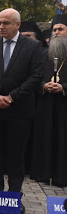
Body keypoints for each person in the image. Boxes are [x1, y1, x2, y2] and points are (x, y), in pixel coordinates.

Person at [0, 8, 43, 214]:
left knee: (16, 155)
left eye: (6, 23)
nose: (1, 26)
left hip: (19, 110)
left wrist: (12, 97)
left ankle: (14, 194)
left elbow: (35, 76)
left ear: (18, 25)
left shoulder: (32, 46)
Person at [30, 14, 67, 187]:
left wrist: (63, 87)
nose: (56, 33)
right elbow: (33, 77)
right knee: (44, 137)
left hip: (64, 106)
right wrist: (44, 85)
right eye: (54, 30)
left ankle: (62, 176)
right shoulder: (43, 54)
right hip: (44, 105)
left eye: (60, 29)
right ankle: (42, 173)